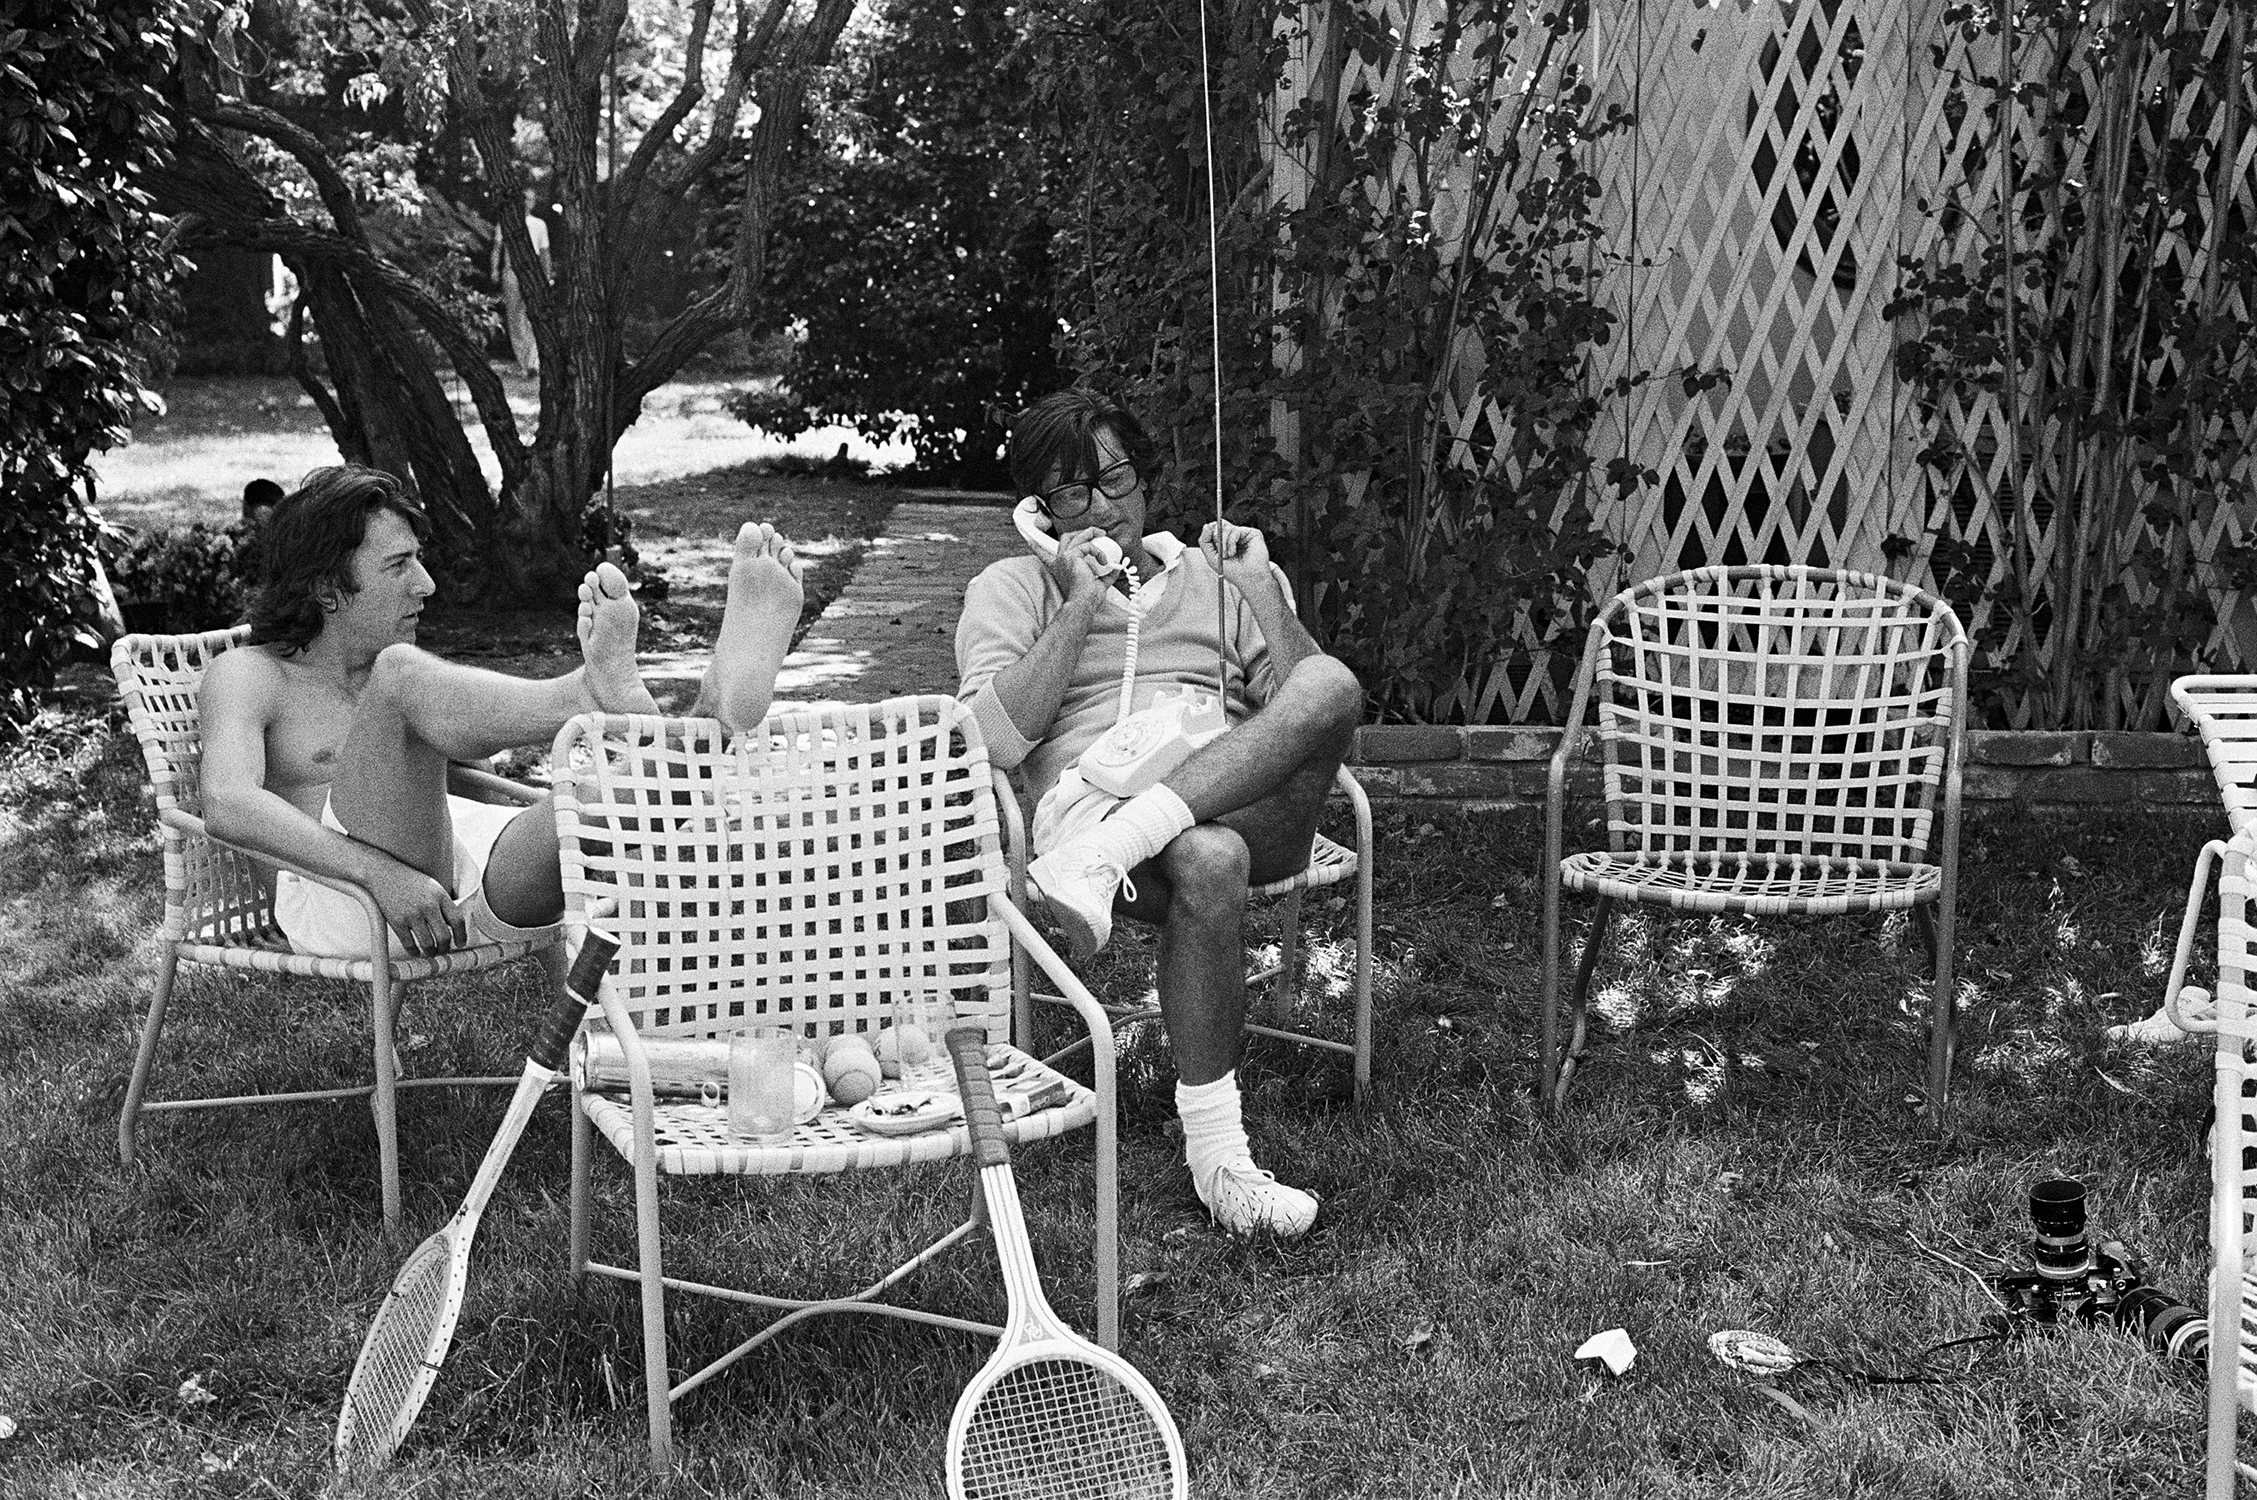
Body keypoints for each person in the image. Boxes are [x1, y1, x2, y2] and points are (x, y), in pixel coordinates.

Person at [954, 389, 1364, 1239]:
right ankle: (1221, 1161)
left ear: (1145, 476)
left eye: (1115, 479)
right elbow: (991, 742)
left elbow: (1307, 709)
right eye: (1072, 493)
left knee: (1330, 681)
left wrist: (1261, 593)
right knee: (1206, 859)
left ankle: (1115, 848)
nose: (1103, 506)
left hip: (1239, 802)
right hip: (1097, 809)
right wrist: (1074, 603)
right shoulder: (1008, 586)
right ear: (1037, 510)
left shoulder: (1218, 574)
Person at [199, 465, 804, 963]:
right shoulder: (251, 673)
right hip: (346, 904)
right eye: (398, 565)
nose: (428, 585)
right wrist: (380, 875)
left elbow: (468, 784)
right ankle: (586, 696)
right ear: (327, 588)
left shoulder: (390, 686)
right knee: (403, 674)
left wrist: (528, 787)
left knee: (609, 809)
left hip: (462, 879)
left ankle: (712, 721)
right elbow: (227, 803)